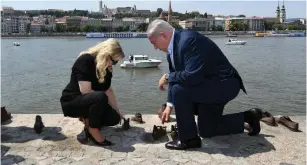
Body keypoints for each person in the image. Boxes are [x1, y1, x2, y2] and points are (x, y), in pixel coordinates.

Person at [146, 19, 264, 150]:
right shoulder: (172, 49)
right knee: (206, 131)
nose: (155, 47)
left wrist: (167, 76)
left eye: (153, 43)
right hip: (208, 85)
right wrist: (169, 105)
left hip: (224, 85)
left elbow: (192, 76)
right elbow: (177, 76)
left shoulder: (188, 41)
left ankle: (189, 139)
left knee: (179, 91)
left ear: (163, 35)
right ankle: (249, 117)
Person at [60, 38, 125, 146]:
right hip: (72, 101)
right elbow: (85, 91)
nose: (113, 64)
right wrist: (103, 102)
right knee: (100, 97)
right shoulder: (85, 60)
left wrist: (117, 110)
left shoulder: (106, 69)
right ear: (106, 54)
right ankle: (93, 130)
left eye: (116, 62)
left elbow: (108, 89)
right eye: (114, 61)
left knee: (114, 118)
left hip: (92, 100)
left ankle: (87, 119)